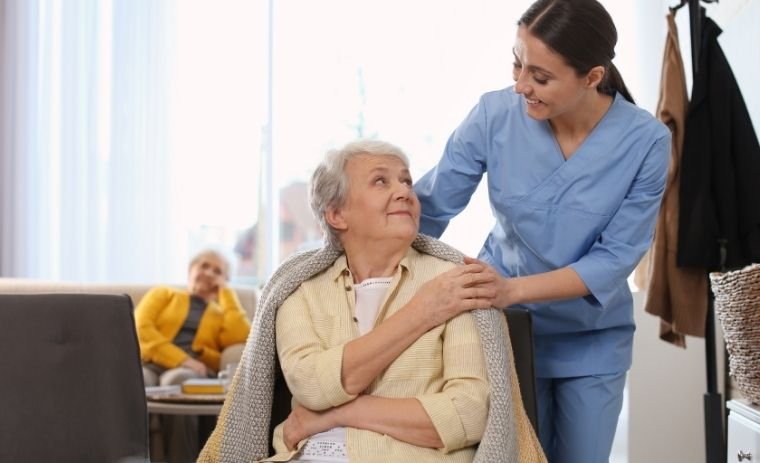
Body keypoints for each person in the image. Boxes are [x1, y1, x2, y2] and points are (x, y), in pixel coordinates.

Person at [413, 1, 671, 462]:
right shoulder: (495, 115)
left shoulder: (647, 142)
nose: (520, 85)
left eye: (540, 76)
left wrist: (510, 290)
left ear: (592, 77)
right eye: (517, 63)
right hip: (501, 330)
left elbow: (614, 259)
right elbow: (431, 206)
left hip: (590, 339)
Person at [197, 140, 546, 462]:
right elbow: (312, 385)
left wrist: (336, 414)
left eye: (406, 182)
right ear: (337, 214)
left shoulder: (454, 282)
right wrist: (423, 311)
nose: (404, 192)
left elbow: (468, 413)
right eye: (381, 182)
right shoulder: (298, 288)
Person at [135, 249, 251, 463]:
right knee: (137, 380)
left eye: (217, 271)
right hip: (152, 362)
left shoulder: (220, 313)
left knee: (176, 380)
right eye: (204, 266)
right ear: (191, 270)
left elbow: (242, 337)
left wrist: (226, 293)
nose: (208, 273)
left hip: (192, 372)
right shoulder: (164, 294)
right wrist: (181, 359)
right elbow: (141, 328)